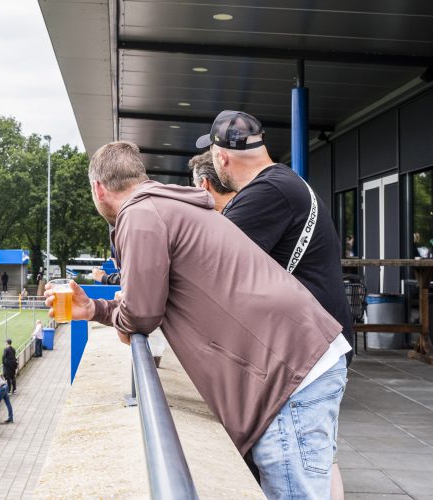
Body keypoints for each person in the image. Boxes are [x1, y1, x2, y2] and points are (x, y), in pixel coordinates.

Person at [46, 140, 349, 499]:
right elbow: (148, 302)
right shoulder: (167, 205)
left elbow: (141, 314)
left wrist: (122, 320)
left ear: (98, 189)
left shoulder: (139, 215)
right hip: (301, 359)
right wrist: (95, 310)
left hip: (288, 372)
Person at [196, 111, 354, 497]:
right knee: (317, 469)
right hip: (320, 357)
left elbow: (202, 262)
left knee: (294, 485)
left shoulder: (268, 193)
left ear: (221, 158)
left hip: (302, 365)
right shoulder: (285, 183)